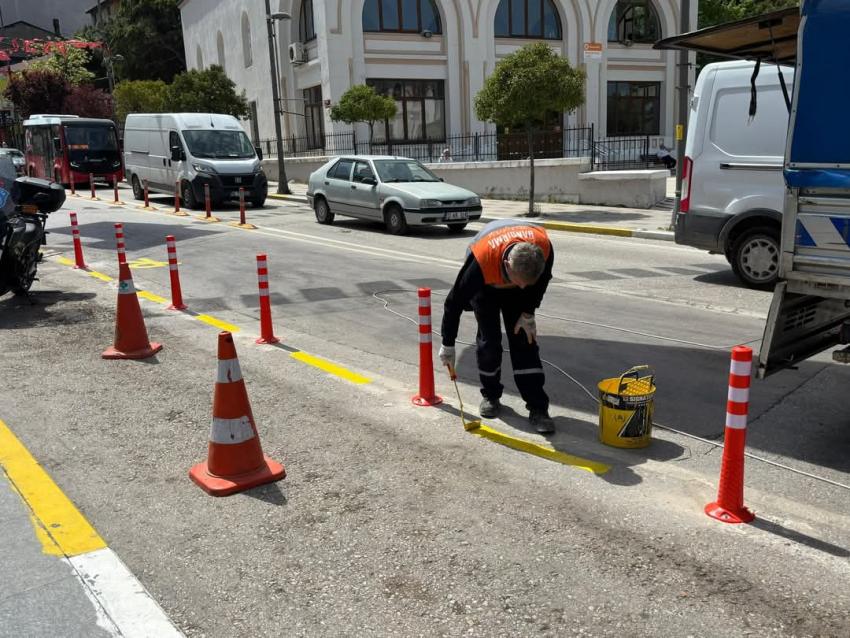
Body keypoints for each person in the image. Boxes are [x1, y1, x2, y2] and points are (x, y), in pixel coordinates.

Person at [438, 220, 556, 434]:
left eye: (526, 284)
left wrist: (528, 312)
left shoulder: (544, 248)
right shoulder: (480, 263)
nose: (521, 287)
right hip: (486, 288)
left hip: (519, 287)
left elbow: (541, 282)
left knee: (524, 341)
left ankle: (538, 407)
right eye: (518, 281)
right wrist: (448, 344)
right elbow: (453, 303)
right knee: (489, 342)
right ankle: (491, 396)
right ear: (508, 264)